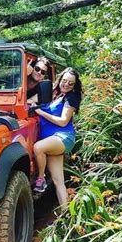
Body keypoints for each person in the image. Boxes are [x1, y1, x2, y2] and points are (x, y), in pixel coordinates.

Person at [32, 67, 83, 209]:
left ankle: (40, 180)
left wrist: (41, 112)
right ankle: (67, 217)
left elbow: (62, 121)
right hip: (53, 140)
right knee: (58, 181)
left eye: (70, 83)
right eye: (64, 81)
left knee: (38, 147)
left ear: (74, 86)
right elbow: (30, 101)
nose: (66, 84)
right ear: (60, 80)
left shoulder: (71, 98)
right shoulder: (54, 94)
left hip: (63, 137)